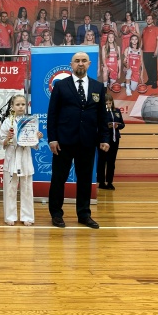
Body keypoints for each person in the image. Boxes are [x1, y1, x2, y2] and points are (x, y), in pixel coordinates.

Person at [47, 51, 110, 229]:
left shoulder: (98, 87)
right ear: (71, 64)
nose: (80, 63)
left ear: (89, 64)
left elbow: (102, 116)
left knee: (85, 180)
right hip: (63, 141)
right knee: (59, 179)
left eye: (83, 61)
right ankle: (56, 214)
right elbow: (52, 114)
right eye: (77, 61)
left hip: (87, 141)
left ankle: (84, 214)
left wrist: (104, 137)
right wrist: (52, 139)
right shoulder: (61, 86)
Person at [0, 94, 43, 226]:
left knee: (27, 189)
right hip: (12, 157)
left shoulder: (30, 122)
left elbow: (34, 144)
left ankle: (27, 216)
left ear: (26, 106)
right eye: (17, 104)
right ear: (12, 107)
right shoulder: (7, 122)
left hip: (25, 157)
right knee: (10, 189)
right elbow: (1, 141)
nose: (20, 107)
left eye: (23, 104)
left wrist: (37, 137)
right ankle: (10, 216)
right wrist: (7, 138)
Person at [97, 94, 125, 190]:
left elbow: (122, 124)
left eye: (110, 103)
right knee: (102, 160)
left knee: (111, 161)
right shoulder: (101, 112)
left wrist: (117, 126)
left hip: (114, 138)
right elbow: (99, 124)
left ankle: (109, 181)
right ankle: (101, 182)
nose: (108, 105)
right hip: (103, 139)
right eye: (106, 103)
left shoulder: (116, 111)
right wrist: (108, 125)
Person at [142, 14, 158, 89]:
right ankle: (150, 80)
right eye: (147, 19)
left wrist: (156, 50)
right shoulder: (144, 29)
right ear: (146, 20)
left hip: (152, 51)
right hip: (145, 51)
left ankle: (155, 82)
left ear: (152, 20)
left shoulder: (156, 28)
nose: (149, 20)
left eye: (150, 19)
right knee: (147, 66)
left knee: (153, 67)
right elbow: (143, 40)